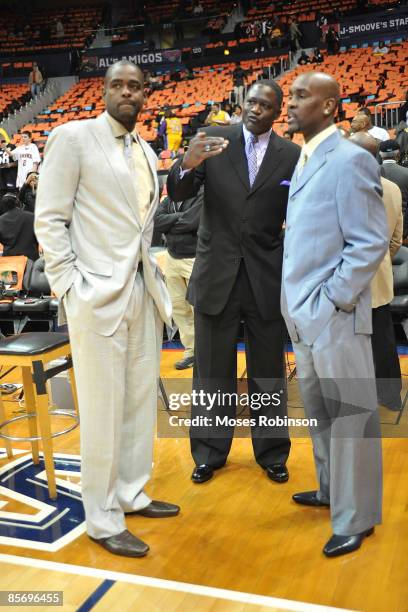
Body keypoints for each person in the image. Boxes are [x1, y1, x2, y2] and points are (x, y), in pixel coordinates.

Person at [35, 60, 179, 558]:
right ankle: (101, 517)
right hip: (94, 293)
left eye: (135, 87)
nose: (126, 93)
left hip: (141, 288)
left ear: (145, 95)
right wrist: (69, 286)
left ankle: (131, 493)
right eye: (117, 85)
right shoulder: (72, 138)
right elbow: (50, 219)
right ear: (103, 91)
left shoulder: (145, 149)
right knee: (100, 408)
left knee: (139, 400)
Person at [167, 79, 300, 485]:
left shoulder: (292, 154)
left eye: (264, 105)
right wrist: (185, 163)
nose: (255, 109)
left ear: (278, 113)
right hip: (216, 275)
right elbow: (178, 191)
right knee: (210, 371)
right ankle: (209, 452)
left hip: (265, 277)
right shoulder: (214, 140)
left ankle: (272, 452)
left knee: (268, 372)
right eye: (251, 101)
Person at [284, 71, 388, 557]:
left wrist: (333, 301)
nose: (291, 103)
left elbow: (369, 242)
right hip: (303, 315)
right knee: (321, 413)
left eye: (302, 96)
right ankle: (331, 492)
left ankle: (357, 516)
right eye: (292, 95)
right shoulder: (306, 158)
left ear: (329, 107)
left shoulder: (349, 160)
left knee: (351, 419)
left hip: (334, 314)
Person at [350, 131, 403, 411]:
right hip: (379, 277)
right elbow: (396, 240)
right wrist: (381, 260)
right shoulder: (392, 189)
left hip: (344, 281)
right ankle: (391, 396)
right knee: (383, 339)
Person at [154, 185, 204, 370]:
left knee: (197, 309)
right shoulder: (170, 198)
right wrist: (178, 220)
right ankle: (191, 352)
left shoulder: (202, 193)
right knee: (179, 309)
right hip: (172, 257)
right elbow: (157, 221)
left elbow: (193, 223)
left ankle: (205, 353)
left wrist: (170, 224)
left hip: (195, 258)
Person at [379, 140, 408, 234]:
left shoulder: (369, 172)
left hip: (376, 224)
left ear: (380, 154)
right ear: (398, 154)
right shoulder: (406, 173)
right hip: (400, 226)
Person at [0, 192, 38, 261]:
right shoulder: (31, 216)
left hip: (9, 262)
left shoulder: (1, 220)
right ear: (18, 203)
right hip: (30, 259)